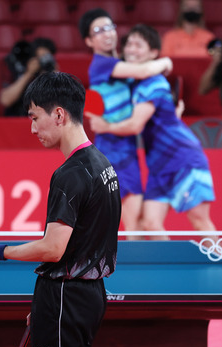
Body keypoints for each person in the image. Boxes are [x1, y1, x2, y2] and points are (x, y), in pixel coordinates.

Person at [0, 71, 121, 347]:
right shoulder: (103, 164)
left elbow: (53, 249)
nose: (32, 128)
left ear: (59, 115)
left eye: (34, 117)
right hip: (87, 296)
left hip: (66, 296)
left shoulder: (70, 174)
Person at [87, 24, 216, 240]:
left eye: (139, 45)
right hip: (158, 165)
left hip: (183, 159)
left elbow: (135, 125)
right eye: (128, 44)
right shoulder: (135, 85)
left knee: (199, 220)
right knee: (150, 223)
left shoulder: (153, 83)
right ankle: (171, 272)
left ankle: (221, 270)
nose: (131, 49)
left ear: (153, 53)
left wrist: (105, 127)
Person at [78, 8, 172, 233]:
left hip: (127, 147)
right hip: (113, 151)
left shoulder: (118, 65)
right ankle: (136, 269)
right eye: (99, 31)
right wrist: (166, 61)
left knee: (137, 223)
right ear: (89, 41)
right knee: (133, 225)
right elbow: (145, 70)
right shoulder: (102, 64)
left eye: (110, 27)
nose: (107, 33)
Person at [0, 37, 58, 116]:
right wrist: (29, 73)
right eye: (38, 58)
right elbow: (6, 100)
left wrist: (51, 77)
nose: (40, 62)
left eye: (44, 58)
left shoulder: (51, 74)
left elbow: (54, 105)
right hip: (15, 120)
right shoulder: (15, 71)